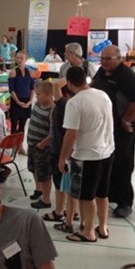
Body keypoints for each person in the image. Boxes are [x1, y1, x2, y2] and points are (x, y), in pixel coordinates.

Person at [59, 66, 114, 243]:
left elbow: (71, 134)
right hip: (107, 151)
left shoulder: (75, 103)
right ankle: (103, 227)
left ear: (69, 83)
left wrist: (62, 158)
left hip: (87, 155)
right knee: (102, 193)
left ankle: (88, 231)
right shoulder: (102, 95)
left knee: (86, 196)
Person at [91, 45, 135, 218]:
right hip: (103, 127)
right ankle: (108, 195)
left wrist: (126, 119)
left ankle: (125, 202)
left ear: (119, 58)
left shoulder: (127, 76)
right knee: (107, 162)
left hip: (122, 129)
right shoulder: (101, 71)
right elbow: (92, 87)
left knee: (122, 163)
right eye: (102, 58)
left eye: (108, 59)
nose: (104, 62)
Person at [46, 81, 80, 232]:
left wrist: (72, 72)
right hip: (71, 152)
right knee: (71, 185)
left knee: (60, 184)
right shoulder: (74, 106)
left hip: (60, 151)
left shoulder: (64, 104)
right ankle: (75, 212)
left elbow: (55, 86)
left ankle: (59, 212)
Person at [27, 81, 55, 208]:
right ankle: (38, 189)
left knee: (44, 173)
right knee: (33, 168)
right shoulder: (38, 104)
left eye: (39, 94)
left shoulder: (52, 111)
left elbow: (52, 133)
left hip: (42, 147)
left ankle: (46, 199)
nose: (36, 97)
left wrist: (42, 145)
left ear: (48, 94)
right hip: (32, 143)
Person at [8, 51, 36, 133]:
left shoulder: (30, 73)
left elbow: (32, 89)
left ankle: (20, 145)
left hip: (26, 101)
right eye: (17, 58)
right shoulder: (13, 72)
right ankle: (13, 144)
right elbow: (11, 90)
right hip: (16, 101)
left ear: (25, 59)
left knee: (22, 127)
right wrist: (18, 102)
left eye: (21, 58)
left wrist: (30, 101)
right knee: (14, 126)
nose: (19, 60)